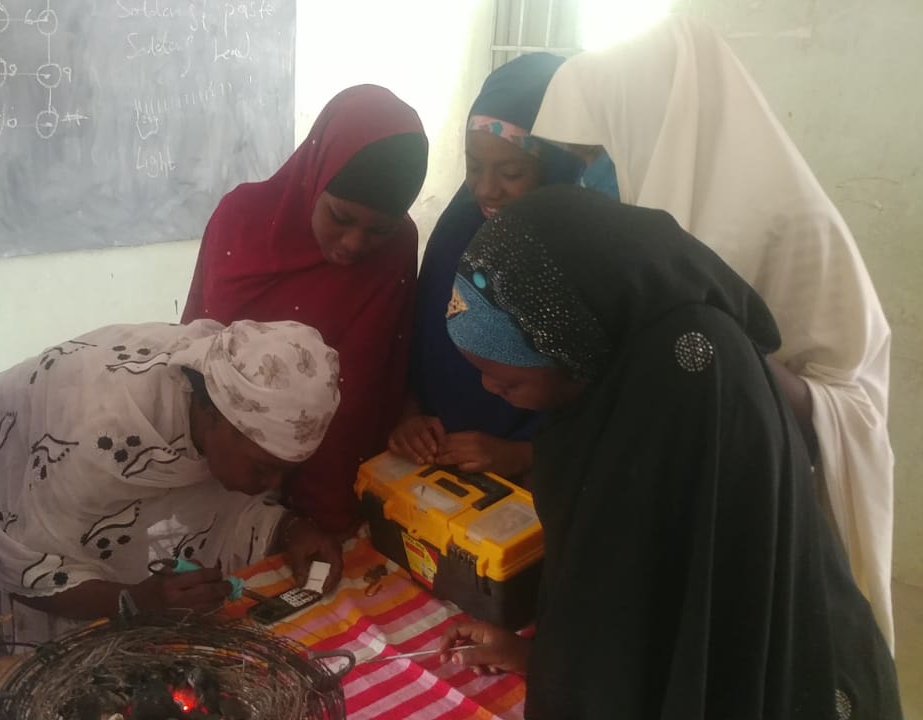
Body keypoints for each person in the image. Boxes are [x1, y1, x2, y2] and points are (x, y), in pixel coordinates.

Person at [437, 186, 901, 719]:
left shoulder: (683, 402)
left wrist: (555, 671)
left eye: (506, 382)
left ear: (573, 349)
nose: (490, 391)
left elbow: (653, 628)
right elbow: (617, 623)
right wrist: (539, 658)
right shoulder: (613, 396)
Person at [531, 17, 895, 644]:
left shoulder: (792, 223)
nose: (591, 178)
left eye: (598, 154)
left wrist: (721, 351)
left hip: (769, 500)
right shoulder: (651, 225)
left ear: (655, 127)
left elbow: (855, 403)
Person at [0, 319, 345, 643]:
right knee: (16, 638)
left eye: (283, 471)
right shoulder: (98, 439)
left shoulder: (222, 383)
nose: (269, 484)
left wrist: (291, 528)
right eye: (261, 469)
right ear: (214, 415)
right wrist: (135, 600)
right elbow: (31, 569)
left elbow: (217, 500)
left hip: (71, 450)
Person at [181, 85, 429, 535]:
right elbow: (202, 350)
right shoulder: (242, 220)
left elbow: (367, 378)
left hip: (335, 470)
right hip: (230, 465)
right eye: (340, 217)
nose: (353, 244)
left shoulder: (397, 247)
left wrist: (323, 513)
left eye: (379, 229)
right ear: (314, 176)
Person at [389, 53, 581, 478]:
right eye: (474, 167)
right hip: (437, 463)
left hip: (538, 487)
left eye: (510, 171)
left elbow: (599, 405)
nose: (486, 189)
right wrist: (409, 415)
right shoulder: (460, 231)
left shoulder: (583, 257)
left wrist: (522, 455)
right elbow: (420, 344)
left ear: (555, 165)